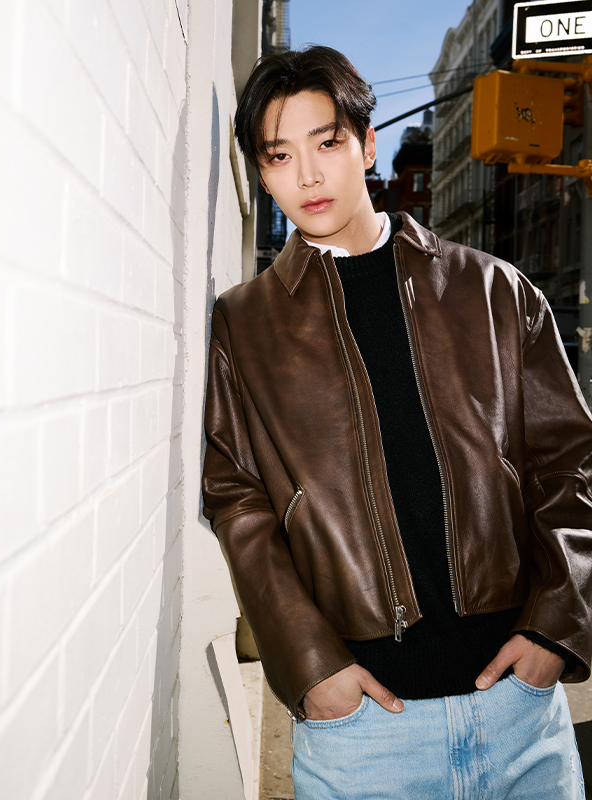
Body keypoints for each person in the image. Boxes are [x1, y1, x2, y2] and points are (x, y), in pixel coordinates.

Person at [202, 45, 592, 798]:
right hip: (361, 733)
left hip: (520, 713)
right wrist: (311, 667)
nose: (307, 176)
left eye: (327, 143)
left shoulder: (494, 290)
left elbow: (569, 465)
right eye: (279, 156)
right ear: (262, 173)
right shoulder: (242, 326)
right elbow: (237, 501)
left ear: (368, 144)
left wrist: (555, 629)